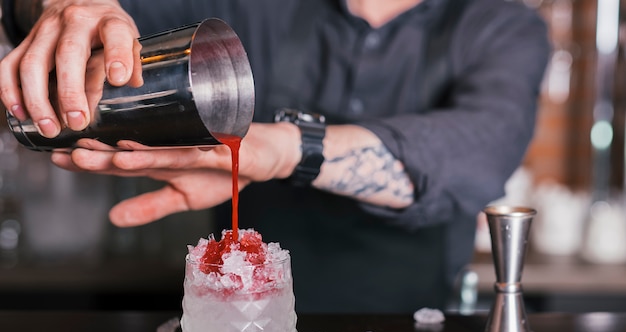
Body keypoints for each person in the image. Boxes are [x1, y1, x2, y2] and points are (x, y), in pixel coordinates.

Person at [0, 0, 550, 313]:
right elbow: (95, 14)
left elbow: (480, 150)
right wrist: (60, 6)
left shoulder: (500, 24)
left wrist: (282, 149)